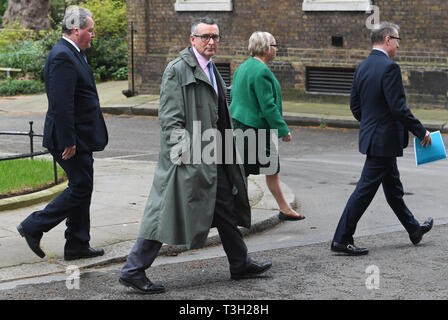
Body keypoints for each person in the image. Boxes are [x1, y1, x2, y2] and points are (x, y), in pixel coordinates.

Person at [118, 17, 272, 294]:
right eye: (204, 37)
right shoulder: (177, 70)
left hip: (215, 153)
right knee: (164, 213)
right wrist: (185, 157)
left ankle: (240, 263)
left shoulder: (213, 69)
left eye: (215, 37)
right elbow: (169, 119)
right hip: (188, 159)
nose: (211, 42)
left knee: (224, 206)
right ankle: (133, 269)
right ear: (192, 40)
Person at [331, 22, 433, 256]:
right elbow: (398, 108)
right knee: (364, 190)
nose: (398, 45)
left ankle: (414, 229)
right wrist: (421, 131)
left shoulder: (363, 66)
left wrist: (370, 123)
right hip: (383, 140)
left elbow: (355, 106)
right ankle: (341, 237)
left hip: (376, 139)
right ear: (388, 39)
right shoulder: (390, 68)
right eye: (397, 40)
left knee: (393, 190)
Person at [16, 6, 108, 261]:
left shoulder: (73, 53)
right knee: (81, 187)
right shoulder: (62, 56)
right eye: (90, 31)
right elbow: (61, 102)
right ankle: (33, 225)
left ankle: (78, 244)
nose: (92, 35)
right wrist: (69, 140)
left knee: (83, 186)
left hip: (81, 137)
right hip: (69, 139)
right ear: (76, 30)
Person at [229, 31, 304, 221]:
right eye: (274, 45)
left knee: (248, 170)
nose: (276, 49)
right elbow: (268, 105)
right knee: (262, 169)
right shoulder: (261, 71)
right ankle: (236, 213)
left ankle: (282, 208)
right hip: (254, 129)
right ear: (265, 48)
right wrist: (283, 129)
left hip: (241, 125)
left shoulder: (243, 66)